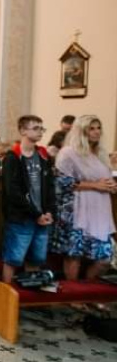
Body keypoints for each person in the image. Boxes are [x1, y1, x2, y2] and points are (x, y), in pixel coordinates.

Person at [51, 115, 117, 281]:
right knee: (74, 255)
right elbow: (61, 182)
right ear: (81, 131)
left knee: (104, 259)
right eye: (91, 128)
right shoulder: (68, 152)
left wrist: (111, 186)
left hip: (100, 211)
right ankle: (74, 297)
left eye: (98, 128)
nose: (96, 132)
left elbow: (104, 179)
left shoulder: (101, 153)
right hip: (77, 209)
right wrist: (95, 185)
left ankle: (88, 292)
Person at [1, 115, 55, 284]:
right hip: (22, 216)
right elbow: (12, 192)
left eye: (42, 128)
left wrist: (49, 211)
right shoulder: (13, 158)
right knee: (13, 257)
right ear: (23, 130)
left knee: (36, 258)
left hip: (42, 216)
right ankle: (5, 297)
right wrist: (35, 213)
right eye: (36, 128)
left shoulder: (43, 155)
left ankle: (30, 292)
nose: (40, 132)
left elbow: (50, 186)